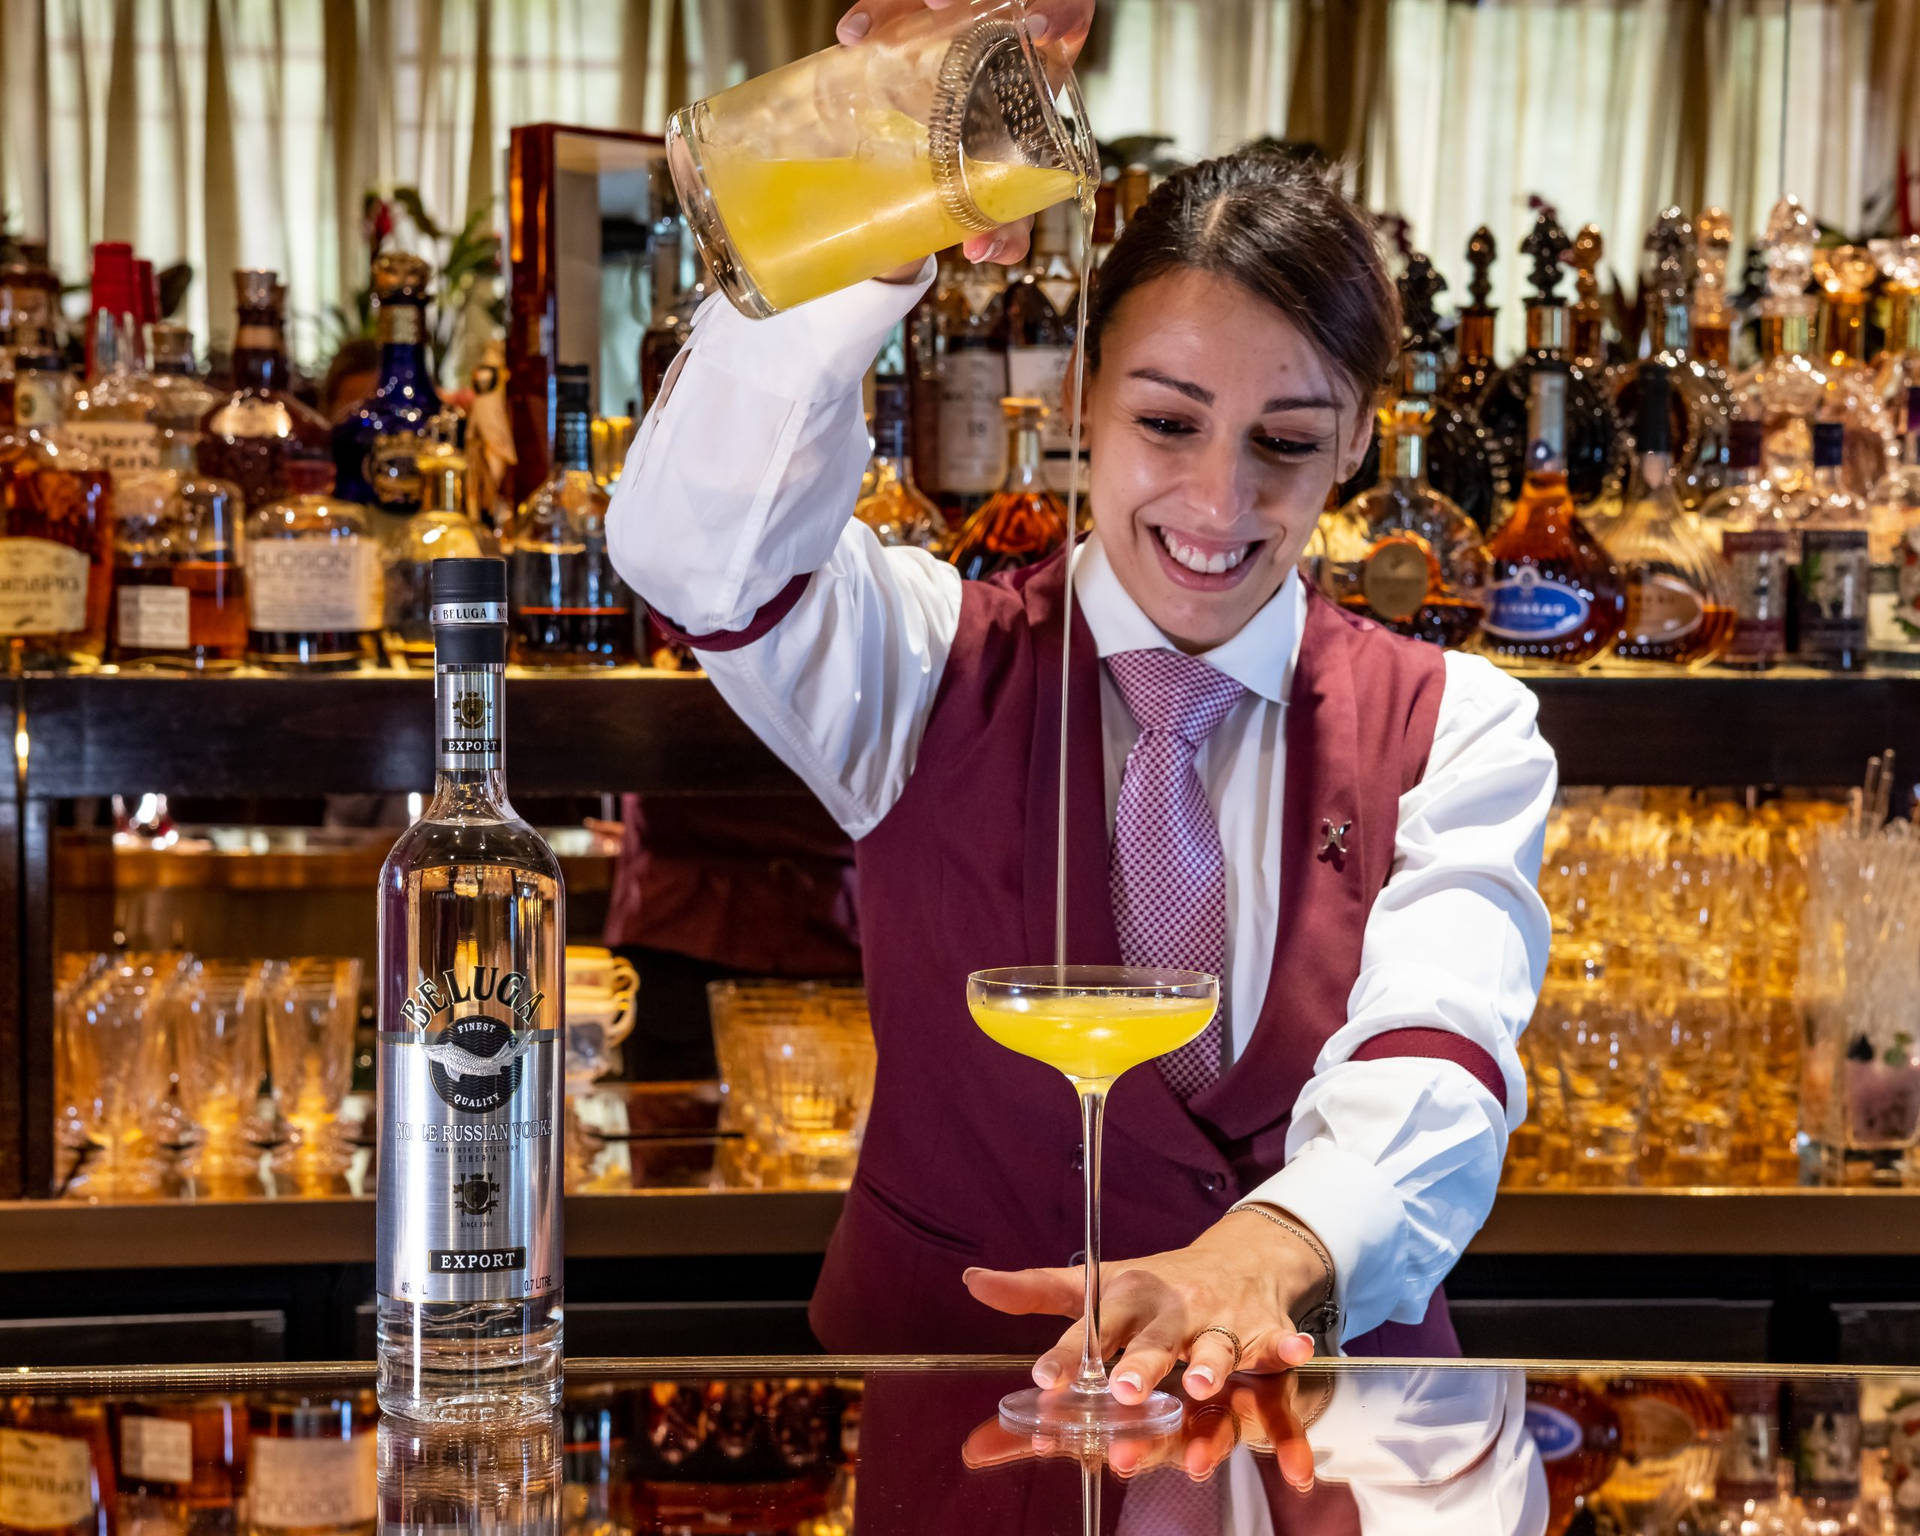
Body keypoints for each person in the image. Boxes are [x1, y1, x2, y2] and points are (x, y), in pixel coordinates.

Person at [608, 0, 1554, 1404]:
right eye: (1167, 421)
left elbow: (1445, 1051)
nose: (1219, 504)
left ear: (1358, 440)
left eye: (1287, 444)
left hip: (1309, 1439)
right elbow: (691, 551)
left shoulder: (1455, 726)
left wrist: (1269, 1248)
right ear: (1080, 398)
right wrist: (884, 191)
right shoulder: (925, 663)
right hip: (964, 1425)